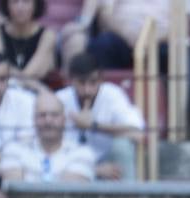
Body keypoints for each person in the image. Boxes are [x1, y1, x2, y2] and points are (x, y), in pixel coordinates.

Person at [55, 51, 143, 181]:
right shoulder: (59, 100)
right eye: (81, 83)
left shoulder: (112, 94)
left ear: (101, 79)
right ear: (71, 81)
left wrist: (93, 126)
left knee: (122, 146)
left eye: (93, 82)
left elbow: (137, 133)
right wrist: (93, 169)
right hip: (72, 167)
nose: (87, 90)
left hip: (110, 163)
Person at [0, 89, 96, 183]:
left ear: (64, 119)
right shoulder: (13, 150)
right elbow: (15, 191)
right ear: (33, 119)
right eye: (42, 115)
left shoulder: (82, 153)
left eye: (54, 115)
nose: (48, 120)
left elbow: (69, 193)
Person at [0, 0, 56, 93]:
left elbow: (32, 71)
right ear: (6, 5)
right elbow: (1, 66)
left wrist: (19, 78)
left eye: (26, 2)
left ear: (36, 5)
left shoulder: (47, 35)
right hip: (2, 90)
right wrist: (23, 80)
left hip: (35, 92)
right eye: (14, 2)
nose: (20, 7)